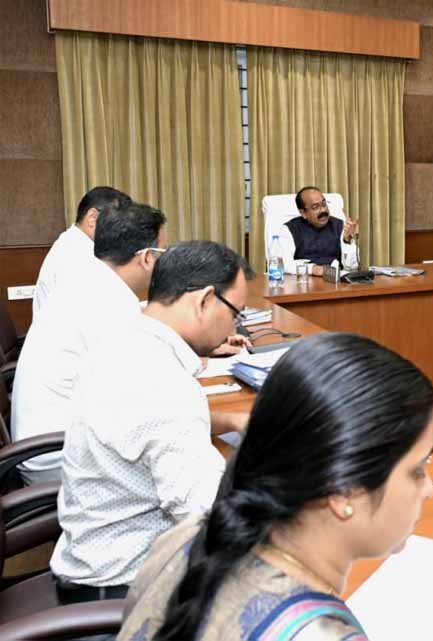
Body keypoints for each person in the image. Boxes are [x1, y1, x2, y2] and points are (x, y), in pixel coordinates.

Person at [118, 333, 433, 641]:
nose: (429, 488)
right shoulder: (319, 633)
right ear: (344, 491)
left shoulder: (186, 538)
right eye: (418, 469)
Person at [50, 241, 254, 604]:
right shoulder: (162, 383)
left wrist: (230, 420)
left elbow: (146, 426)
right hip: (126, 591)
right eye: (235, 313)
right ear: (205, 300)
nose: (234, 326)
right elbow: (210, 515)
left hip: (93, 558)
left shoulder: (128, 340)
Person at [11, 202, 165, 485]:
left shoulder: (90, 281)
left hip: (48, 442)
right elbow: (138, 396)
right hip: (59, 458)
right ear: (146, 257)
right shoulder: (108, 301)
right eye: (160, 254)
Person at [33, 186, 132, 316]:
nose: (122, 233)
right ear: (92, 218)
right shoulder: (75, 255)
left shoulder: (74, 244)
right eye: (118, 224)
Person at [272, 186, 360, 276]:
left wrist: (347, 240)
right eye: (315, 207)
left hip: (334, 280)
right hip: (303, 281)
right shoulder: (289, 229)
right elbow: (282, 263)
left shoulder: (339, 225)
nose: (323, 210)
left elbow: (352, 267)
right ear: (303, 213)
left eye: (324, 204)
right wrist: (313, 269)